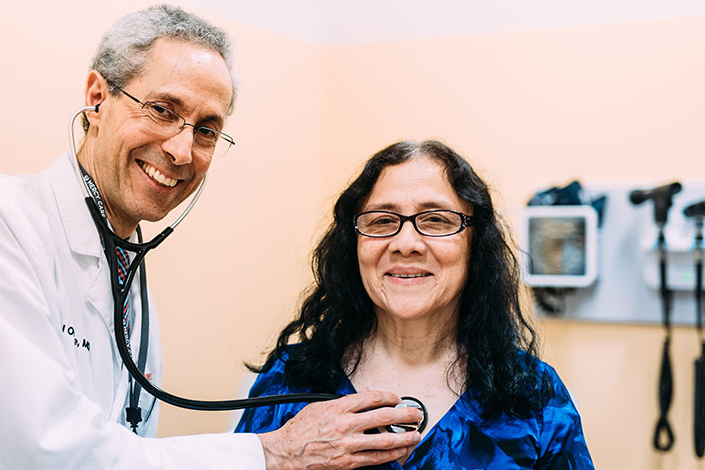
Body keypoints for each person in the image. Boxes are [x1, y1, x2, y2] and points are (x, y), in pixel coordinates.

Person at [0, 5, 423, 470]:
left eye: (206, 129)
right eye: (163, 110)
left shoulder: (126, 275)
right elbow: (38, 453)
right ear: (96, 96)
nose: (182, 151)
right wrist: (269, 453)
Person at [235, 140, 594, 469]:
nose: (406, 243)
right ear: (353, 245)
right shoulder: (289, 380)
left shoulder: (534, 395)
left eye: (436, 220)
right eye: (382, 221)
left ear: (475, 246)